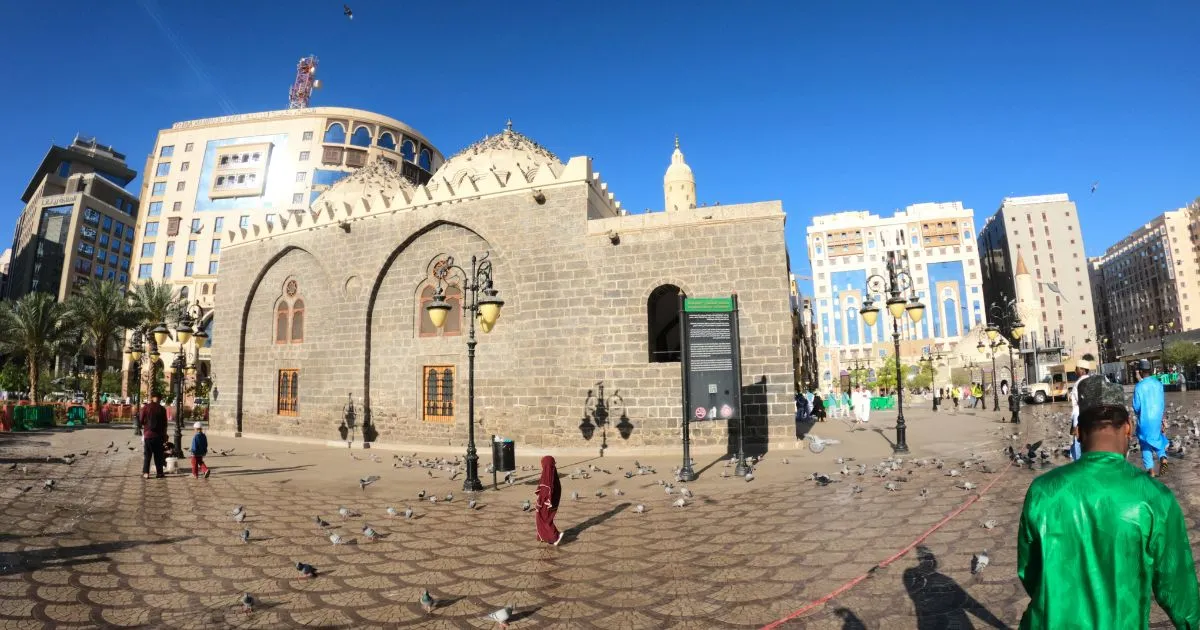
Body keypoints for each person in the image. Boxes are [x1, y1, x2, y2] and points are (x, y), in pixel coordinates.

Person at [1017, 386, 1200, 629]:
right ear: (1129, 428)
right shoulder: (1155, 498)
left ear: (1078, 432)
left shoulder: (1043, 491)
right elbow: (1178, 590)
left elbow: (1030, 573)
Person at [1132, 359, 1170, 477]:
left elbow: (1136, 406)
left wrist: (1139, 413)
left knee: (1145, 444)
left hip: (1145, 419)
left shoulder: (1139, 386)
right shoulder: (1158, 384)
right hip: (1157, 419)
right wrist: (1162, 419)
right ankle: (1162, 457)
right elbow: (1162, 403)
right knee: (1156, 439)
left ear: (1142, 371)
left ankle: (1151, 471)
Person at [1067, 354, 1096, 461]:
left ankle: (1079, 468)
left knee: (1078, 447)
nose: (1075, 371)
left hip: (1079, 418)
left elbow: (1079, 406)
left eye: (1077, 368)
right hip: (1092, 418)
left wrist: (1075, 425)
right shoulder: (1093, 381)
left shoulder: (1079, 383)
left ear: (1083, 370)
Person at [535, 455, 563, 545]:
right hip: (545, 500)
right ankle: (542, 536)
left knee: (544, 519)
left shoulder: (548, 474)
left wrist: (544, 500)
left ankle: (555, 537)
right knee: (541, 518)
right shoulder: (550, 472)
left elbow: (547, 489)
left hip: (546, 501)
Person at [140, 394, 168, 479]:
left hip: (148, 435)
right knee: (158, 456)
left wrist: (144, 425)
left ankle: (146, 473)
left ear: (152, 398)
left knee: (147, 455)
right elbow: (165, 424)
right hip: (159, 436)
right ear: (160, 399)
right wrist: (165, 435)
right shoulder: (162, 409)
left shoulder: (146, 407)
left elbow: (141, 420)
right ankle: (159, 473)